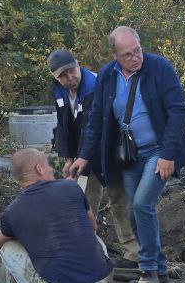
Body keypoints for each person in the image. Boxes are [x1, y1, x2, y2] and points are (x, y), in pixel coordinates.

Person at [68, 26, 185, 283]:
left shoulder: (159, 68)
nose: (136, 57)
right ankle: (160, 268)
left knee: (141, 204)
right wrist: (84, 156)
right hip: (129, 156)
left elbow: (178, 111)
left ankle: (148, 269)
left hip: (159, 151)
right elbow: (97, 120)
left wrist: (169, 154)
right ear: (114, 55)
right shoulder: (106, 76)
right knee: (133, 211)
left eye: (137, 50)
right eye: (127, 54)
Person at [48, 48, 139, 268]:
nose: (70, 77)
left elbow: (92, 129)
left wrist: (77, 163)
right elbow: (63, 125)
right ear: (55, 77)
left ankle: (134, 254)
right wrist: (66, 157)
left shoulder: (94, 86)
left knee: (119, 199)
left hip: (110, 151)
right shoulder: (59, 91)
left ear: (78, 64)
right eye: (63, 75)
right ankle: (84, 249)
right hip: (84, 154)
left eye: (72, 71)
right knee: (83, 201)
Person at [0, 148, 114, 283]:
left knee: (7, 249)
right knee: (88, 232)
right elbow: (93, 226)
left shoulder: (12, 212)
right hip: (103, 281)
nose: (51, 169)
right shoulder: (71, 187)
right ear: (39, 169)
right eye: (48, 165)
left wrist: (27, 236)